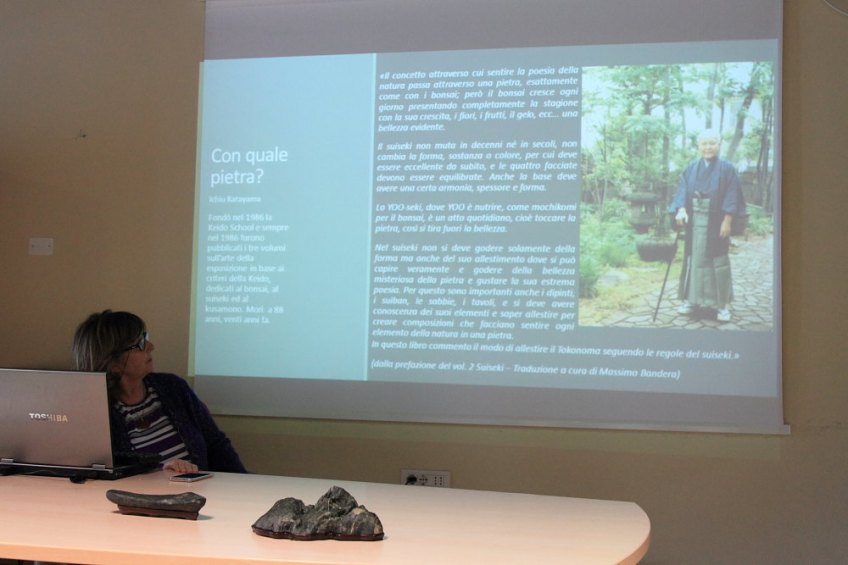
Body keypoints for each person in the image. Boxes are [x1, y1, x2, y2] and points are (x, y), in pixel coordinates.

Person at [72, 310, 247, 473]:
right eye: (139, 344)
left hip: (203, 493)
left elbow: (216, 445)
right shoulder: (96, 415)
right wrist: (160, 475)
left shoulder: (173, 387)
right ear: (112, 362)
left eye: (145, 338)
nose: (151, 346)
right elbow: (102, 475)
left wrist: (245, 485)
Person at [668, 129, 746, 323]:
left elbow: (732, 195)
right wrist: (681, 209)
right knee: (694, 261)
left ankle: (721, 306)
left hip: (717, 223)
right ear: (699, 146)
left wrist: (727, 221)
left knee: (717, 263)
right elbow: (682, 191)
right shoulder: (691, 168)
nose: (708, 147)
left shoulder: (727, 169)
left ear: (719, 145)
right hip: (695, 223)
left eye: (712, 143)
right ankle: (692, 301)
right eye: (704, 144)